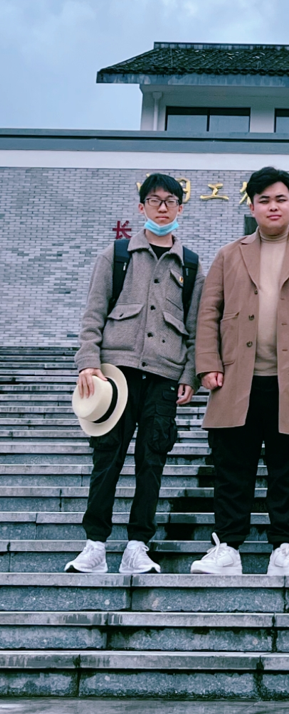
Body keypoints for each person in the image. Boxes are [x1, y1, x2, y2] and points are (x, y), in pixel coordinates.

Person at [190, 167, 289, 576]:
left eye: (280, 199)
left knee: (288, 469)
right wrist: (207, 364)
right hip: (235, 378)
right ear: (252, 206)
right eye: (264, 200)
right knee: (231, 468)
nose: (273, 207)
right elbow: (209, 313)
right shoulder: (229, 254)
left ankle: (285, 548)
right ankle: (227, 548)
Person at [67, 173, 204, 574]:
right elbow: (93, 313)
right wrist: (87, 361)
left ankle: (137, 546)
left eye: (170, 201)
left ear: (180, 208)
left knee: (152, 461)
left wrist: (190, 375)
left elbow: (196, 328)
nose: (163, 207)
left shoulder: (191, 265)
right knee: (107, 458)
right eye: (155, 200)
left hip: (164, 376)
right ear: (141, 206)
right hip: (116, 375)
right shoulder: (117, 255)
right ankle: (95, 545)